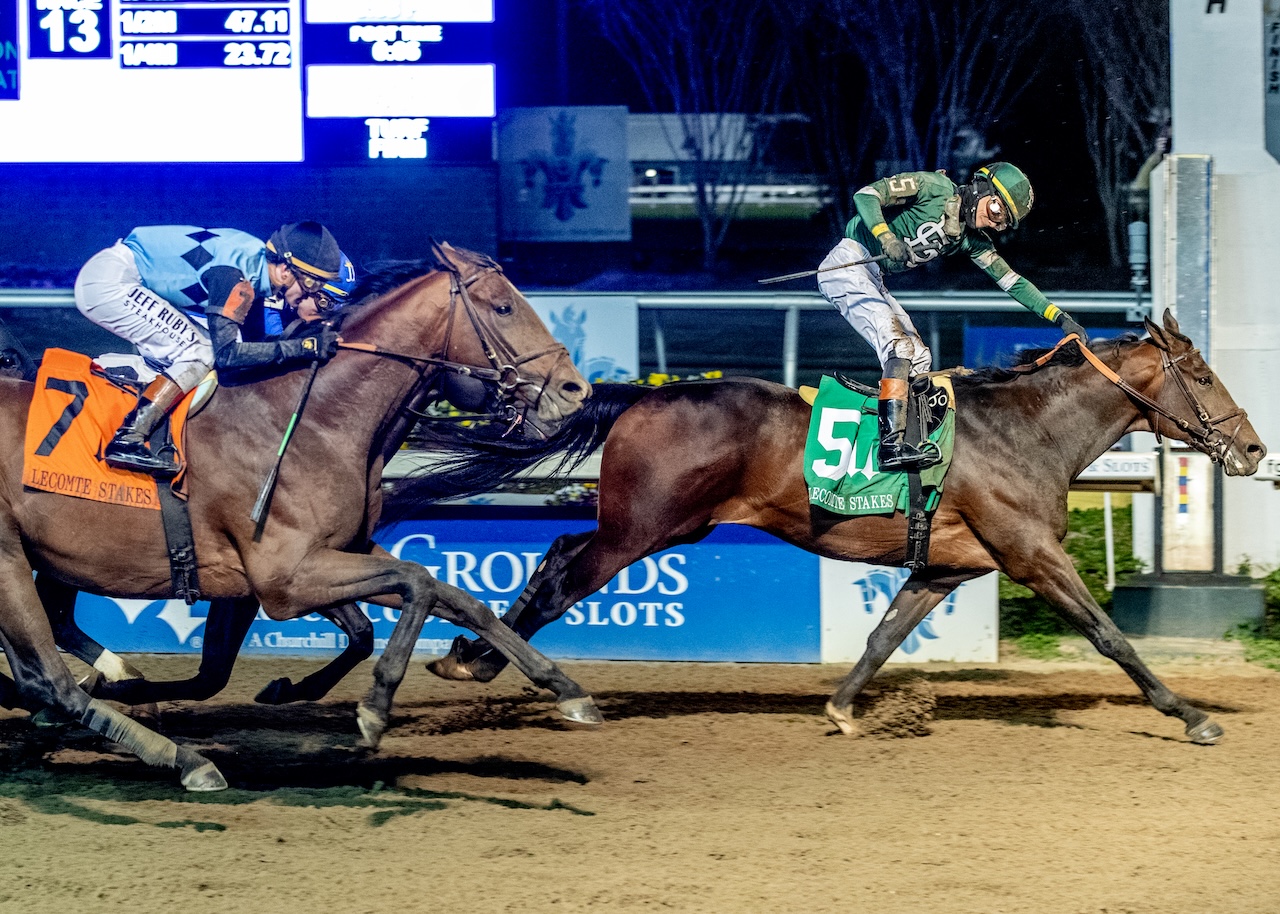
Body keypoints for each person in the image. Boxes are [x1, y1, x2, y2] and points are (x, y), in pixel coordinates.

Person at [817, 162, 1089, 472]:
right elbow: (866, 195)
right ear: (981, 188)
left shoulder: (970, 240)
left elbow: (1013, 281)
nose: (994, 222)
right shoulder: (934, 187)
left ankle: (912, 439)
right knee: (899, 347)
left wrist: (1061, 318)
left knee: (919, 358)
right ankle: (889, 447)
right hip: (847, 263)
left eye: (1004, 222)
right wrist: (885, 237)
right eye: (997, 209)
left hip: (873, 277)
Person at [74, 221, 347, 476]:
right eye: (311, 283)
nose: (310, 295)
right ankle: (128, 437)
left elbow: (252, 347)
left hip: (121, 276)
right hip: (111, 283)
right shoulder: (237, 278)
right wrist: (304, 348)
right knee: (201, 350)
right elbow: (227, 356)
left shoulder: (254, 265)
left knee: (199, 348)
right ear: (285, 270)